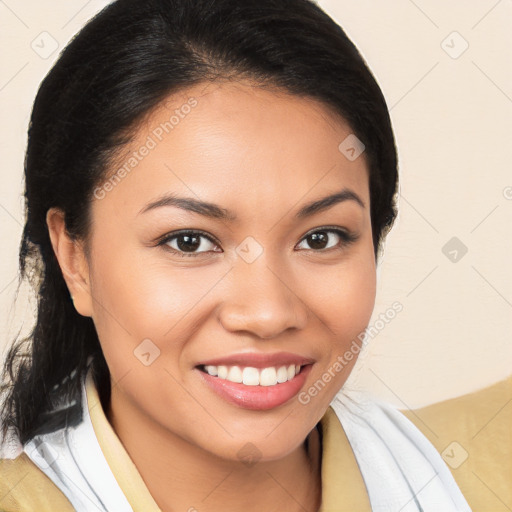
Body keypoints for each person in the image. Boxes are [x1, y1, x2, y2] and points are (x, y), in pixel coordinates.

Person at [0, 0, 477, 510]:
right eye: (190, 241)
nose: (268, 313)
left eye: (321, 238)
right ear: (74, 258)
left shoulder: (485, 470)